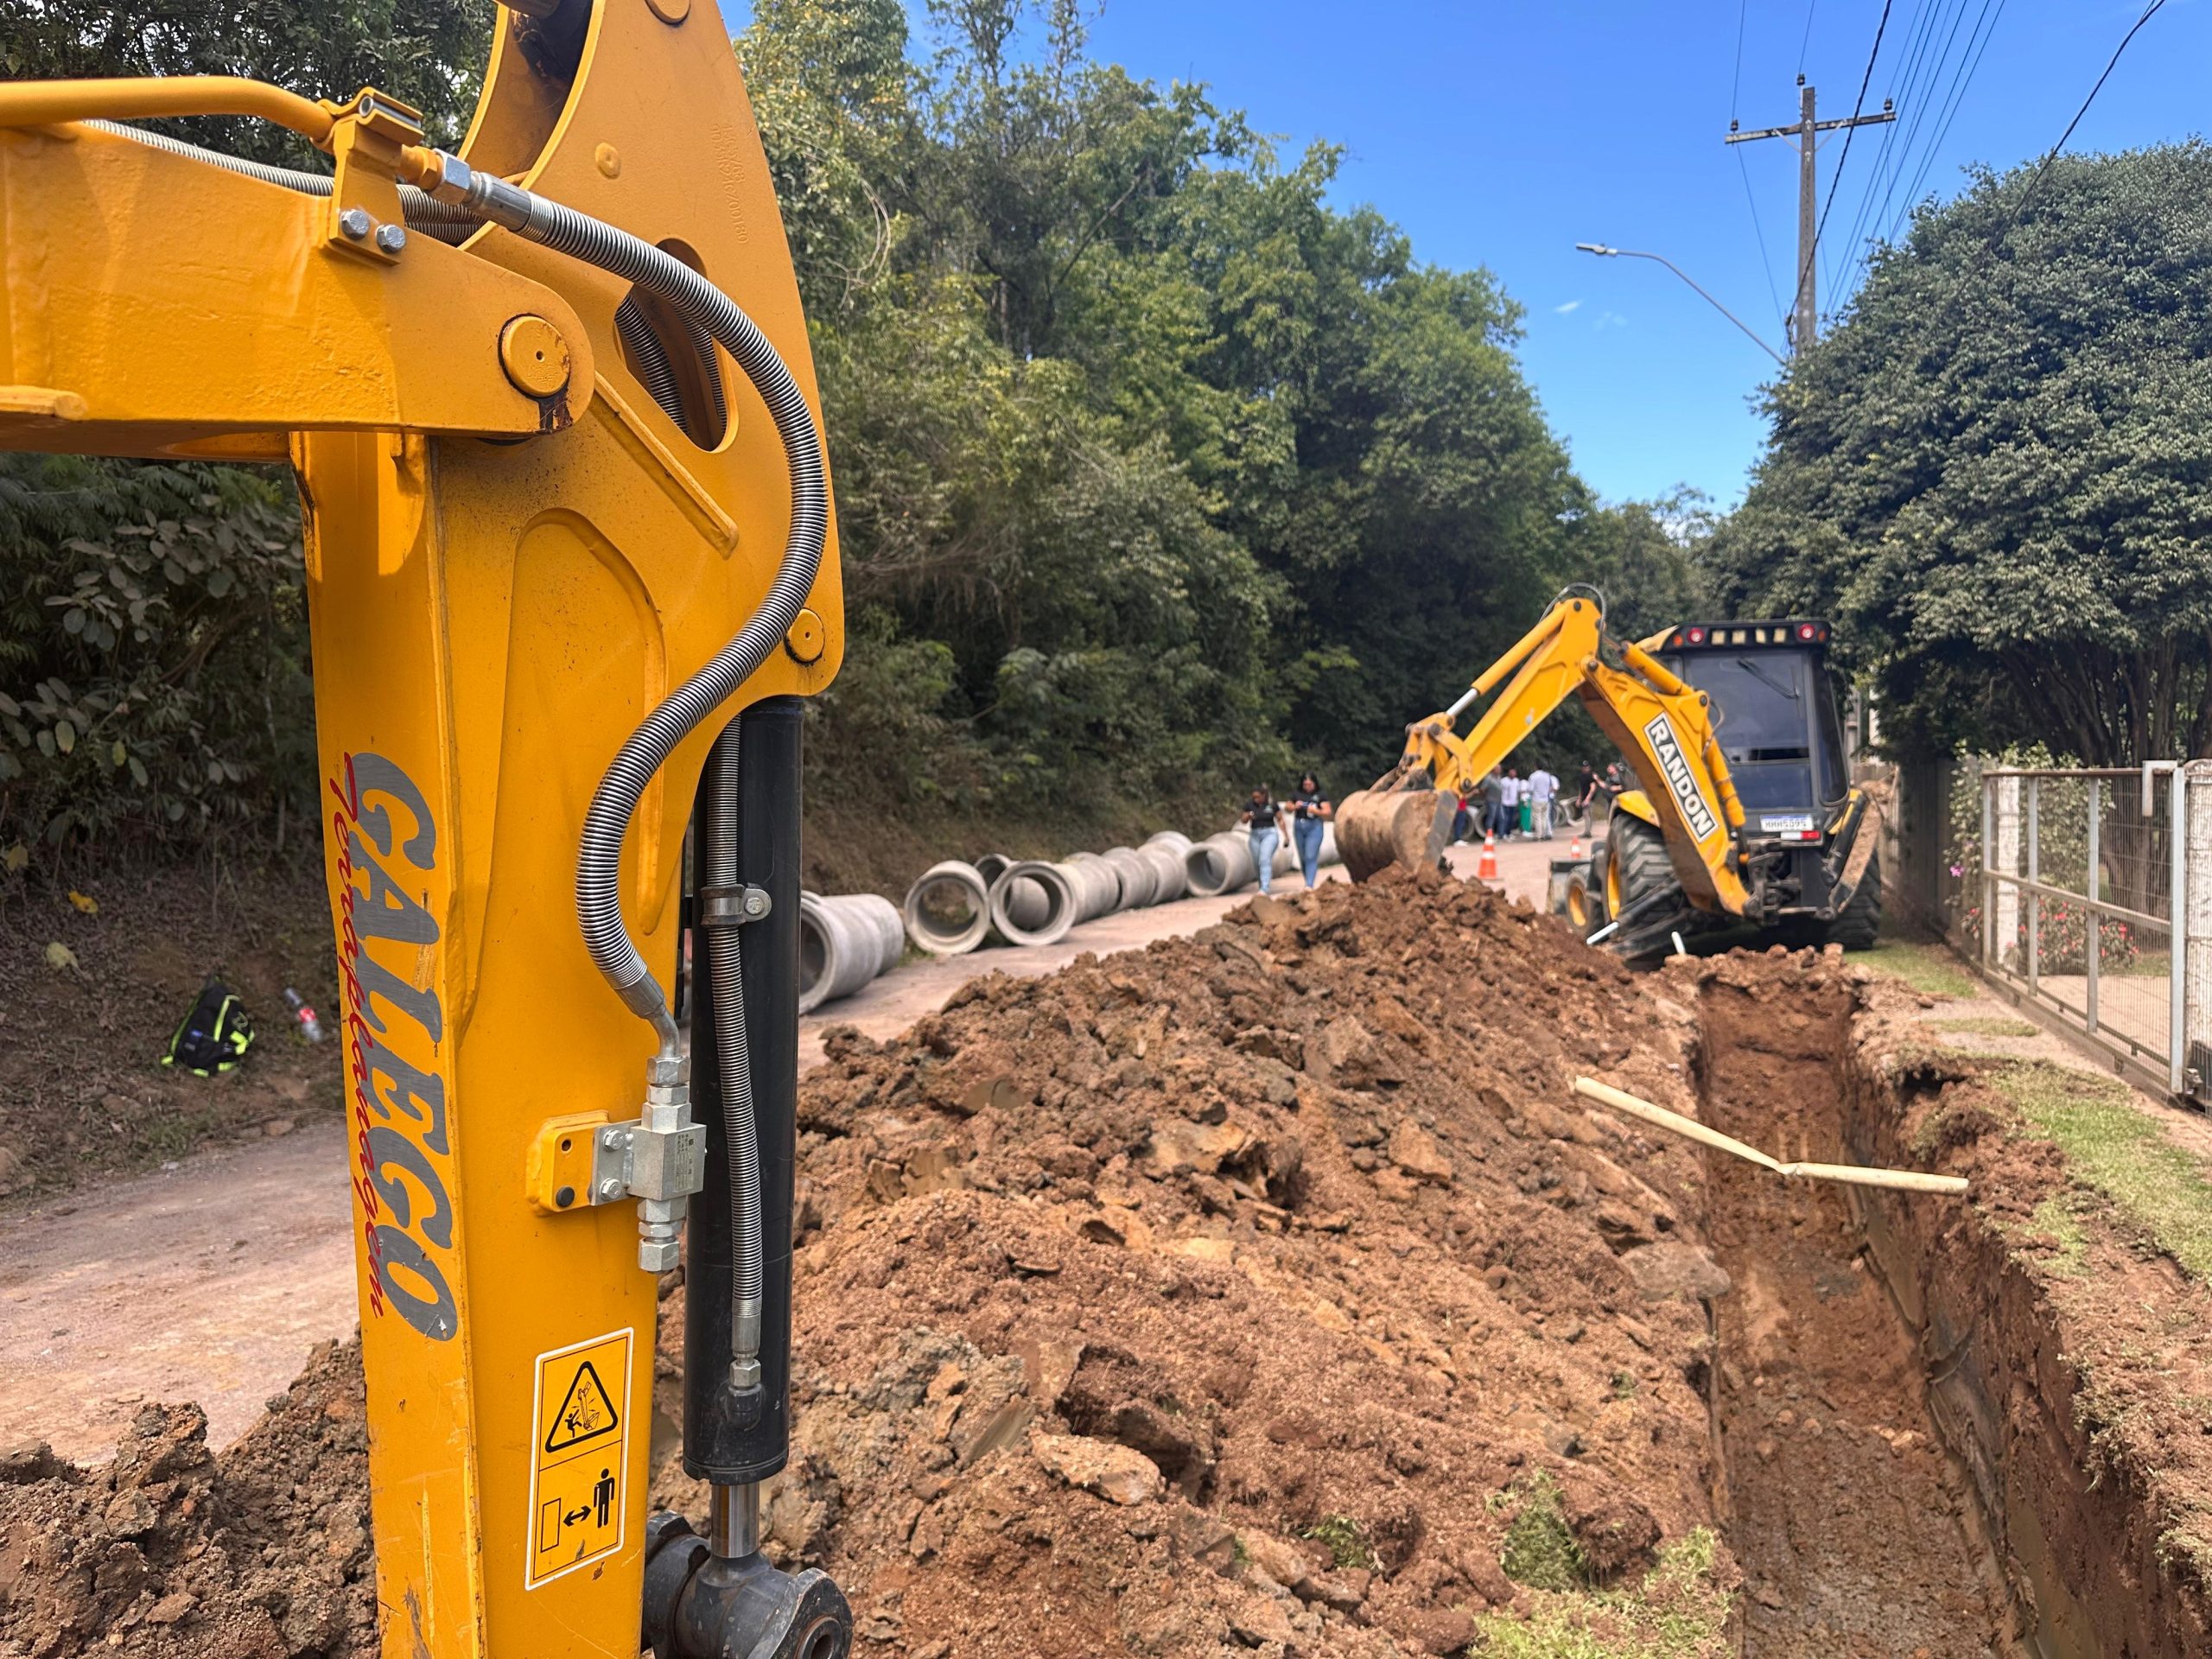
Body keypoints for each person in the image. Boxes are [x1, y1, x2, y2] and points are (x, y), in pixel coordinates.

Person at [1287, 772, 1332, 888]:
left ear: (1315, 783)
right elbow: (1287, 807)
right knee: (1302, 857)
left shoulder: (1320, 795)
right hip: (1299, 826)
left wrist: (1315, 811)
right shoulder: (1297, 794)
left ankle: (1309, 885)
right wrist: (1294, 806)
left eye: (1310, 784)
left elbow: (1327, 812)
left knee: (1310, 855)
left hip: (1314, 826)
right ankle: (1308, 880)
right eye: (1305, 784)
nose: (1307, 786)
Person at [1242, 785, 1287, 895]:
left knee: (1264, 859)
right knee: (1257, 862)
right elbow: (1243, 820)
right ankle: (1262, 885)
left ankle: (1265, 888)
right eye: (1254, 797)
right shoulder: (1249, 805)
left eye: (1257, 797)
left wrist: (1286, 836)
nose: (1255, 799)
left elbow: (1280, 819)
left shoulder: (1272, 804)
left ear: (1264, 796)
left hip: (1269, 833)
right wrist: (1248, 816)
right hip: (1255, 834)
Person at [1529, 763, 1558, 840]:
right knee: (1544, 817)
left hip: (1536, 799)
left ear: (1535, 767)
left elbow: (1531, 789)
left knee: (1537, 817)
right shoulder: (1547, 776)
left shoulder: (1533, 776)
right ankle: (1544, 834)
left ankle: (1538, 835)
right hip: (1546, 799)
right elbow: (1550, 787)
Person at [1497, 768, 1522, 839]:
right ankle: (1503, 833)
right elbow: (1499, 790)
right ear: (1508, 773)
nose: (1512, 774)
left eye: (1513, 773)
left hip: (1513, 803)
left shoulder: (1517, 781)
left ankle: (1509, 833)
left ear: (1515, 774)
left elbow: (1518, 791)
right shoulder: (1503, 781)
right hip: (1505, 803)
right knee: (1505, 818)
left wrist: (1519, 800)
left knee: (1511, 819)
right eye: (1511, 773)